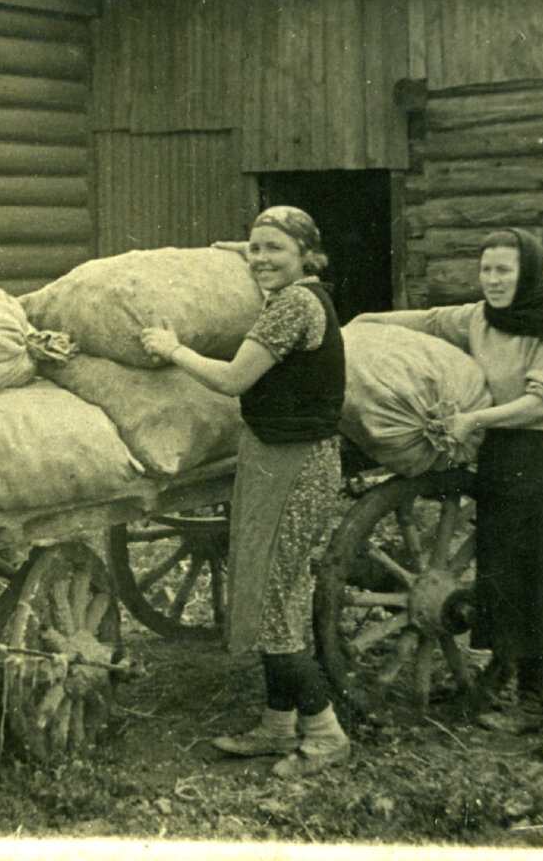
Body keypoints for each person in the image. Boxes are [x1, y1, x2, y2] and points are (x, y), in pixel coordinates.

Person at [349, 227, 543, 763]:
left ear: (528, 271)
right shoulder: (480, 317)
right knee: (502, 573)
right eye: (487, 270)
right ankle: (504, 679)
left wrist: (473, 418)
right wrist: (360, 324)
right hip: (504, 461)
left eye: (505, 270)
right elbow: (427, 321)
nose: (494, 280)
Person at [140, 205, 350, 777]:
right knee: (264, 592)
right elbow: (257, 253)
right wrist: (239, 249)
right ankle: (278, 725)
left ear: (307, 255)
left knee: (274, 606)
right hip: (272, 459)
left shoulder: (296, 305)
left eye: (275, 249)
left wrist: (172, 348)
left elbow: (234, 379)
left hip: (297, 466)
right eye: (254, 249)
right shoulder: (299, 294)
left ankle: (326, 735)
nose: (260, 259)